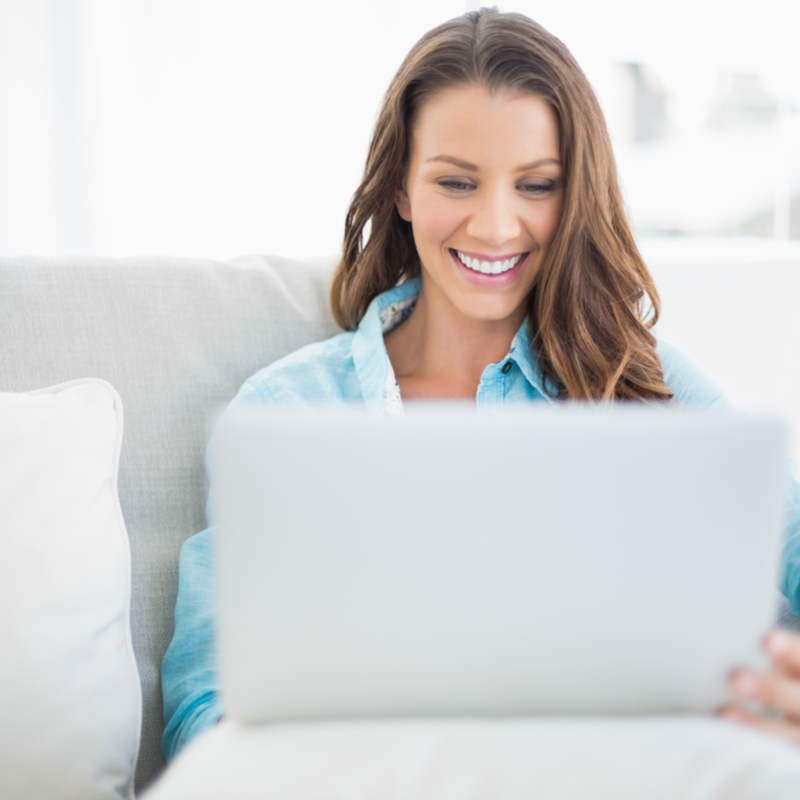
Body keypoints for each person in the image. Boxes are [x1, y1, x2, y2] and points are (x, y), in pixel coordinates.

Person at [161, 8, 800, 760]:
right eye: (457, 182)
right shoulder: (286, 414)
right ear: (400, 188)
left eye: (536, 186)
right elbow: (207, 711)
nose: (497, 227)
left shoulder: (647, 385)